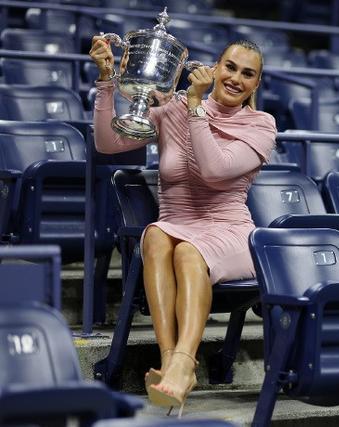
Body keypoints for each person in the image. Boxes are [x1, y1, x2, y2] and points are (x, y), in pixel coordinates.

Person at [89, 36, 276, 415]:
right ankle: (170, 361)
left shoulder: (261, 124)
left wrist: (194, 106)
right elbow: (108, 143)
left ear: (256, 83)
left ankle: (185, 364)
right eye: (230, 67)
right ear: (215, 68)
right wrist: (107, 81)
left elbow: (215, 169)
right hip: (176, 223)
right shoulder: (171, 108)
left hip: (230, 231)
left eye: (247, 74)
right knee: (155, 234)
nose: (236, 78)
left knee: (190, 252)